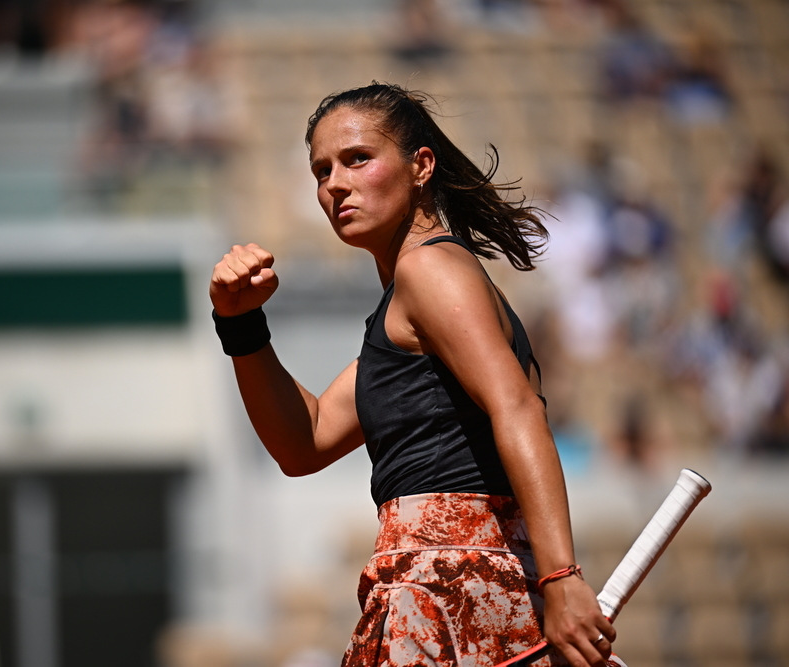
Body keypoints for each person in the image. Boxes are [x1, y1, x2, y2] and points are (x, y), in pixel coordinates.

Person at [209, 83, 624, 667]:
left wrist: (561, 577)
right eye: (321, 170)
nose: (335, 184)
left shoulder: (430, 271)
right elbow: (306, 440)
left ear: (420, 165)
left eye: (357, 159)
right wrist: (241, 325)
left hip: (452, 585)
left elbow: (519, 408)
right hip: (441, 584)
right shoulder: (409, 301)